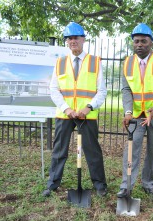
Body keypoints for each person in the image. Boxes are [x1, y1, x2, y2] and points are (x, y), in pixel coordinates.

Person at [42, 22, 108, 197]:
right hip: (65, 115)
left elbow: (102, 91)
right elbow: (53, 89)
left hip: (87, 115)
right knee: (59, 151)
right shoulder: (60, 62)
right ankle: (52, 184)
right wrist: (66, 109)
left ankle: (100, 185)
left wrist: (88, 107)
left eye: (76, 38)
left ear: (83, 39)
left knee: (93, 151)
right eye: (69, 38)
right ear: (67, 42)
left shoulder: (95, 62)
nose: (73, 41)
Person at [117, 23, 153, 197]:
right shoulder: (127, 63)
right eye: (136, 41)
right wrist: (127, 112)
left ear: (151, 43)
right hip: (136, 115)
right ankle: (126, 186)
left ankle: (148, 183)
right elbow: (126, 90)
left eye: (143, 41)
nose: (139, 44)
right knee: (131, 149)